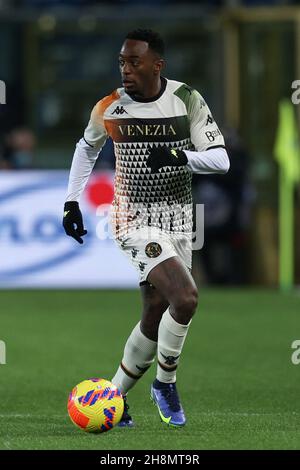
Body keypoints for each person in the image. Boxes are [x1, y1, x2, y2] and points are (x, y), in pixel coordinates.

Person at [63, 29, 229, 428]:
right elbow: (86, 147)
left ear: (158, 65)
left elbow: (220, 160)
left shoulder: (186, 99)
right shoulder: (109, 108)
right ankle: (165, 383)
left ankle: (113, 400)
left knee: (156, 312)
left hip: (178, 219)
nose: (126, 70)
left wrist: (176, 155)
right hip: (131, 218)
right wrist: (71, 200)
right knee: (186, 298)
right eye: (122, 62)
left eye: (135, 62)